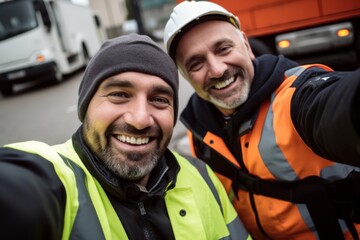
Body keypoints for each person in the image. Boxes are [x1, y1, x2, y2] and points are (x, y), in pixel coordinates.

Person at [0, 33, 251, 240]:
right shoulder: (53, 176)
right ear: (86, 106)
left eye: (159, 100)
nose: (140, 119)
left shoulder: (202, 177)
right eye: (119, 94)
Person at [163, 1, 360, 240]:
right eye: (196, 63)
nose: (216, 70)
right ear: (185, 76)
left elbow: (338, 104)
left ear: (246, 46)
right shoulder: (200, 137)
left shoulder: (295, 100)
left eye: (224, 49)